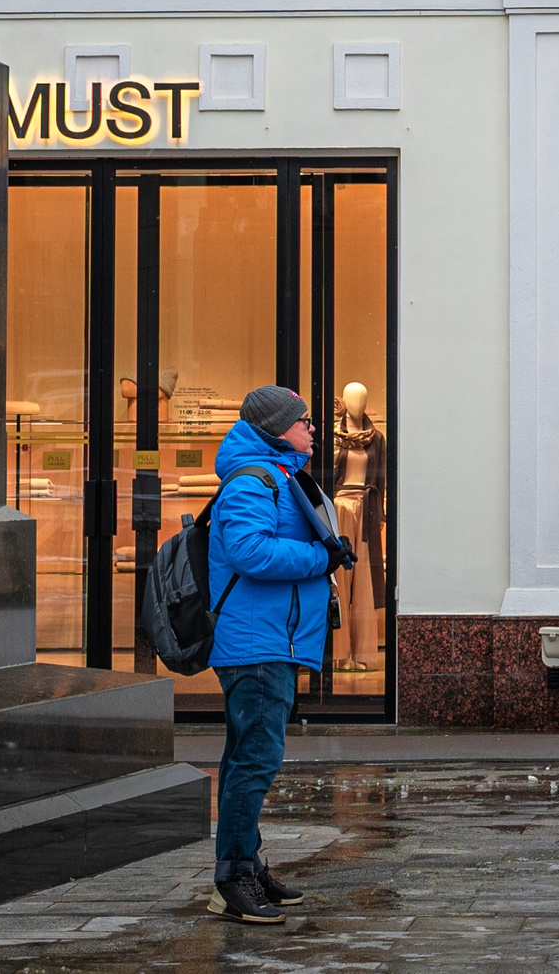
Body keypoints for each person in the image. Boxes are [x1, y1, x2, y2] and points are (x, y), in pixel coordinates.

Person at [205, 384, 354, 925]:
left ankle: (244, 862)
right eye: (303, 420)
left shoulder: (278, 476)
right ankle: (232, 879)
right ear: (274, 429)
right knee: (255, 761)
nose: (313, 428)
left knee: (246, 757)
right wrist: (321, 557)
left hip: (269, 640)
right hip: (255, 644)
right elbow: (249, 551)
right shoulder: (253, 481)